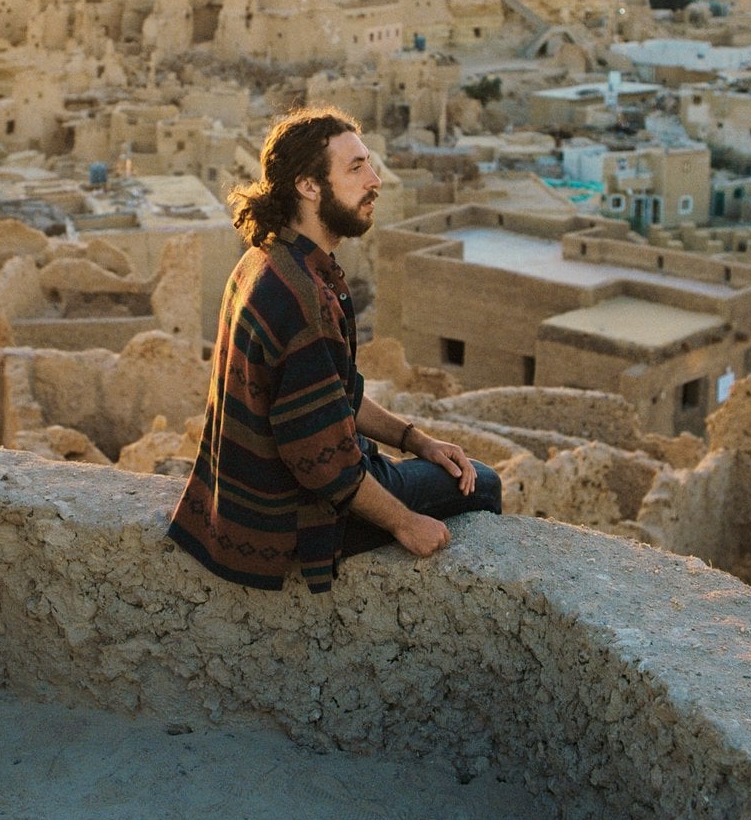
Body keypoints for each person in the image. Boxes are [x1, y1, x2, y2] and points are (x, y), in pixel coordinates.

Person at [167, 107, 502, 593]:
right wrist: (405, 523)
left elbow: (334, 394)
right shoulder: (302, 298)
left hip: (242, 502)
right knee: (483, 484)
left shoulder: (265, 261)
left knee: (443, 467)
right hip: (291, 520)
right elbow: (322, 461)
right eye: (356, 168)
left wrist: (416, 440)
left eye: (370, 164)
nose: (375, 179)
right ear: (308, 186)